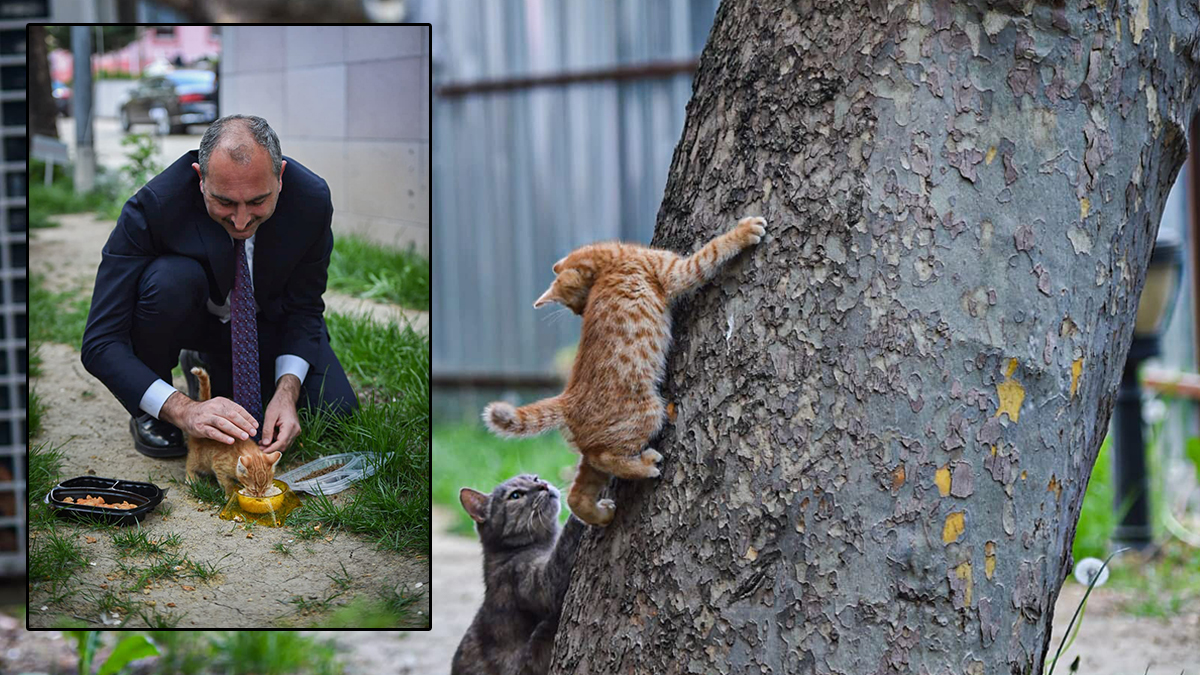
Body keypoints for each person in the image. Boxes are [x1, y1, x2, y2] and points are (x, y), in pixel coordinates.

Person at [81, 114, 358, 458]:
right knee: (169, 280)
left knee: (335, 412)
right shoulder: (153, 206)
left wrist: (287, 392)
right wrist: (183, 409)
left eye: (258, 201)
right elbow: (100, 341)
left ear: (281, 177)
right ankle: (153, 407)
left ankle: (211, 366)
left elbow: (305, 307)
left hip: (267, 326)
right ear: (200, 179)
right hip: (190, 318)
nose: (241, 221)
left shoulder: (311, 199)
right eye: (225, 202)